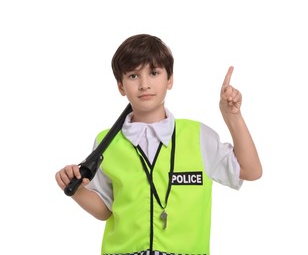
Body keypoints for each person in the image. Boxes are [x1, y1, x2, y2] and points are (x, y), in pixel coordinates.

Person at [55, 34, 262, 255]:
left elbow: (250, 171)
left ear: (169, 79)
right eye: (133, 75)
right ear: (121, 86)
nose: (144, 85)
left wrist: (232, 116)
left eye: (154, 73)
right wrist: (76, 191)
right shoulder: (107, 142)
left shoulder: (197, 136)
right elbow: (105, 209)